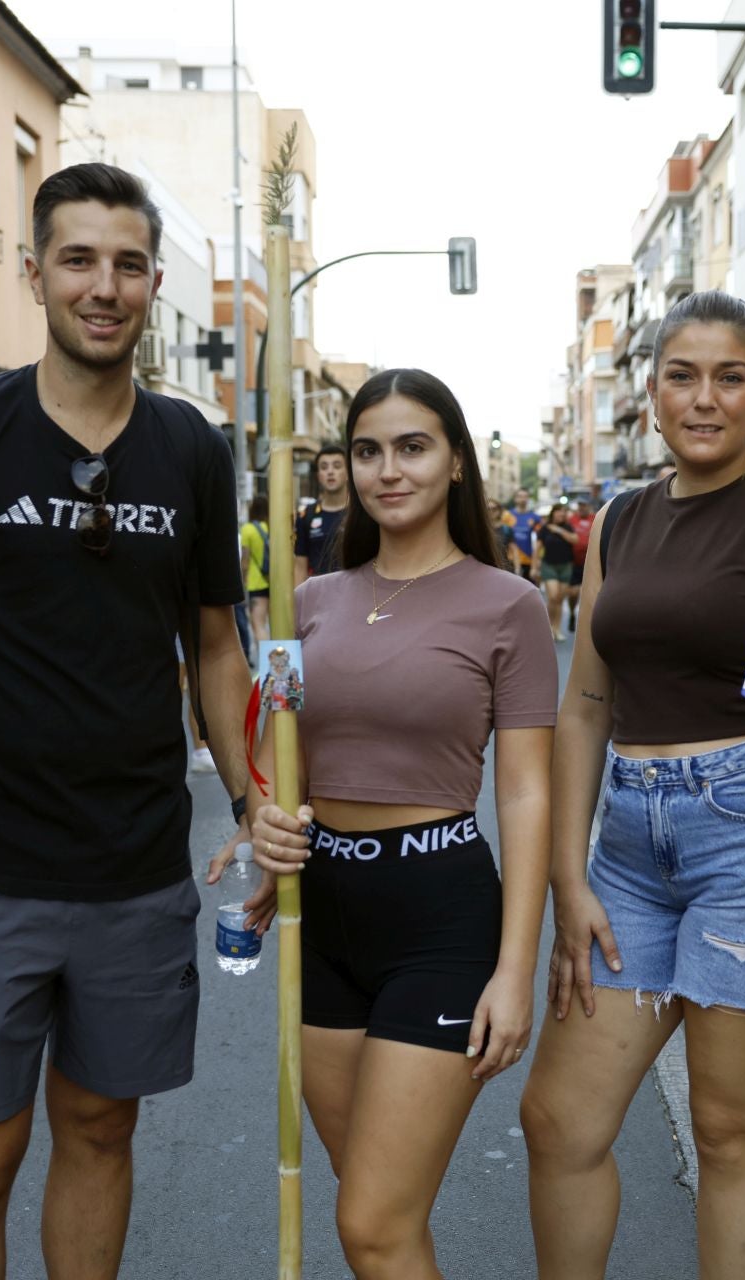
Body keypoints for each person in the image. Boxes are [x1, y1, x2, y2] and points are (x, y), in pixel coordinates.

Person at [0, 162, 252, 1278]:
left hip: (134, 865)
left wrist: (257, 802)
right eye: (78, 259)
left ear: (155, 282)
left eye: (126, 263)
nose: (102, 285)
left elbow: (216, 643)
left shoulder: (192, 450)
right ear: (35, 273)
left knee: (101, 1129)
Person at [520, 290, 745, 1280]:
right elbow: (586, 704)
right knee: (558, 1118)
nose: (705, 398)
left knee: (730, 1129)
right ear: (652, 391)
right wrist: (567, 877)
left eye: (731, 377)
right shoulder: (619, 522)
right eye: (683, 375)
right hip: (629, 844)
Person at [232, 368, 555, 1279]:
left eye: (412, 447)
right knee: (374, 1214)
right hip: (319, 913)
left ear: (455, 461)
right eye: (367, 450)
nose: (387, 470)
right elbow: (279, 750)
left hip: (439, 916)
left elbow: (527, 792)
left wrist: (515, 971)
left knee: (372, 1221)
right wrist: (268, 826)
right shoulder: (312, 605)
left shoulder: (510, 605)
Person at [296, 447, 350, 581]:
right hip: (318, 597)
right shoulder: (306, 515)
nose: (330, 472)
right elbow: (300, 566)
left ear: (348, 472)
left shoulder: (362, 512)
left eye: (337, 466)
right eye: (324, 467)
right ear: (318, 475)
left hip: (356, 595)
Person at [536, 499, 578, 641]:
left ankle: (557, 629)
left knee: (560, 599)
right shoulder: (545, 528)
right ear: (553, 513)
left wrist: (559, 530)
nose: (562, 514)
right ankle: (547, 627)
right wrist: (534, 566)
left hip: (566, 566)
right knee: (553, 596)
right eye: (559, 511)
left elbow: (575, 540)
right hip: (549, 565)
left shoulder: (568, 527)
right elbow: (538, 548)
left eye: (564, 512)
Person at [241, 493, 273, 645]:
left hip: (256, 582)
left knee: (259, 626)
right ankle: (281, 663)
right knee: (277, 626)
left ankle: (267, 665)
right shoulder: (273, 527)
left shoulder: (248, 529)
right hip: (276, 581)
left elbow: (245, 560)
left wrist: (243, 579)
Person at [566, 498, 594, 632]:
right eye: (580, 505)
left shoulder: (595, 518)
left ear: (589, 506)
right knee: (573, 593)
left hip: (590, 561)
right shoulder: (571, 520)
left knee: (589, 593)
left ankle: (586, 623)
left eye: (584, 505)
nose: (582, 508)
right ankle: (572, 613)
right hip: (573, 562)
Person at [507, 486, 543, 579]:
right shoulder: (507, 516)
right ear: (515, 498)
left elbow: (540, 541)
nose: (523, 499)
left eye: (525, 496)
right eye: (520, 496)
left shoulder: (535, 518)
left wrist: (537, 561)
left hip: (529, 560)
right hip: (510, 560)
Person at [486, 497, 516, 571]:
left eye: (494, 508)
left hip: (503, 568)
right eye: (488, 509)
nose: (491, 511)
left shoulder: (507, 529)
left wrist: (517, 568)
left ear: (499, 510)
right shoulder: (479, 529)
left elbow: (514, 549)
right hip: (485, 568)